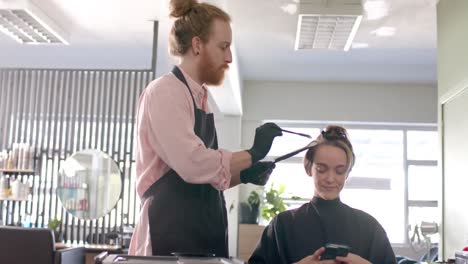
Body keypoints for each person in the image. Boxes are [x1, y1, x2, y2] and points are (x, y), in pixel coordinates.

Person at [128, 0, 282, 258]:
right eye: (223, 47)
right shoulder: (165, 92)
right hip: (169, 237)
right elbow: (192, 164)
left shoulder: (201, 100)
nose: (229, 57)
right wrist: (251, 154)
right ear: (197, 45)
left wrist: (244, 175)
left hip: (201, 237)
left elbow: (203, 178)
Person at [248, 125, 397, 264]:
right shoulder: (282, 226)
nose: (330, 179)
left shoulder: (370, 228)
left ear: (347, 173)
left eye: (339, 171)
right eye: (321, 169)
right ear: (309, 168)